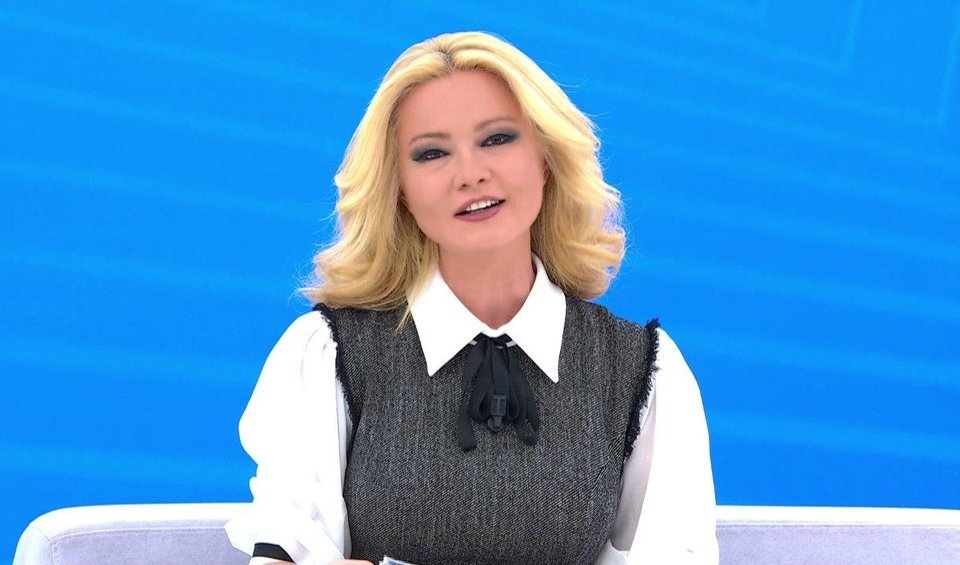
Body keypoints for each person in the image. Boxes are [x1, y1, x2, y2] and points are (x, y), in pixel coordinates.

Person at [225, 31, 719, 564]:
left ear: (546, 158)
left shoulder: (643, 370)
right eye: (432, 153)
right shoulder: (328, 355)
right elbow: (282, 553)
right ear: (400, 189)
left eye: (497, 138)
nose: (470, 174)